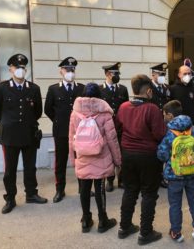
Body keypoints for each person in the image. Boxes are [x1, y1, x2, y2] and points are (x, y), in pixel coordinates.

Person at [0, 54, 47, 214]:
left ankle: (31, 194)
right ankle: (10, 198)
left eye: (22, 67)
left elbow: (37, 111)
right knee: (10, 170)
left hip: (29, 134)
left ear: (26, 69)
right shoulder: (1, 87)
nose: (20, 70)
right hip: (9, 136)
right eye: (17, 67)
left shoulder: (34, 88)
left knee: (30, 167)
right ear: (10, 69)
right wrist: (6, 124)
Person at [116, 74, 166, 246]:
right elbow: (159, 134)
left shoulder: (123, 107)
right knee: (149, 193)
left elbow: (119, 129)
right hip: (147, 156)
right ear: (149, 91)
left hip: (128, 154)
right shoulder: (152, 109)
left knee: (130, 190)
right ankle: (145, 232)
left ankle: (124, 227)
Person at [69, 83, 121, 233]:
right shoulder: (105, 114)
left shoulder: (75, 113)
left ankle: (86, 220)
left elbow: (71, 137)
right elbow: (112, 139)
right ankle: (103, 220)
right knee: (99, 189)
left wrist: (73, 159)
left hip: (83, 155)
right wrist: (118, 160)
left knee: (84, 188)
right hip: (101, 156)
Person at [157, 100, 194, 243]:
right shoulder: (193, 129)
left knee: (175, 204)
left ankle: (176, 232)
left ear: (170, 115)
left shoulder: (170, 132)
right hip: (193, 173)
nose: (163, 117)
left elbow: (162, 155)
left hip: (175, 174)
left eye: (164, 114)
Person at [44, 57, 85, 203]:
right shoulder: (54, 89)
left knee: (81, 160)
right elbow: (48, 109)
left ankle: (83, 188)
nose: (70, 72)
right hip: (61, 131)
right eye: (67, 70)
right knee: (60, 162)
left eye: (72, 70)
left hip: (79, 132)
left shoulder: (81, 88)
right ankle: (60, 190)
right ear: (61, 71)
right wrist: (59, 120)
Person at [99, 62, 129, 192]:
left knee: (121, 153)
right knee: (109, 154)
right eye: (114, 73)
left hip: (120, 126)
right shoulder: (100, 89)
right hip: (106, 127)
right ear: (107, 74)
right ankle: (110, 180)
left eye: (118, 73)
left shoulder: (122, 89)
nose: (116, 76)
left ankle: (121, 179)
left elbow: (126, 107)